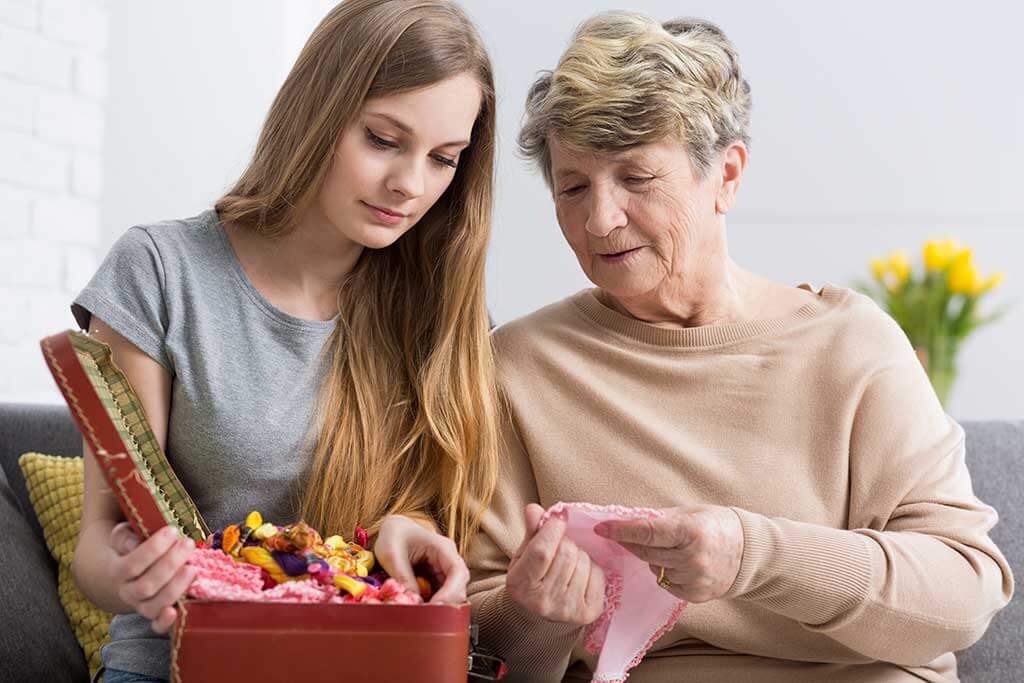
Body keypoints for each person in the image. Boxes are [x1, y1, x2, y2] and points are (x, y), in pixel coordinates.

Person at [467, 11, 1013, 682]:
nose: (600, 220)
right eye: (573, 186)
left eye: (636, 178)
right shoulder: (517, 367)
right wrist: (536, 616)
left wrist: (755, 555)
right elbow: (488, 653)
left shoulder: (851, 345)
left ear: (727, 174)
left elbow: (963, 593)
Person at [70, 1, 500, 681]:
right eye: (382, 139)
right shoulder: (161, 271)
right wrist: (133, 575)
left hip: (363, 668)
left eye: (444, 159)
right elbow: (99, 542)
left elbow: (433, 512)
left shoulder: (440, 311)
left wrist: (407, 532)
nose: (410, 185)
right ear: (317, 110)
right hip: (179, 665)